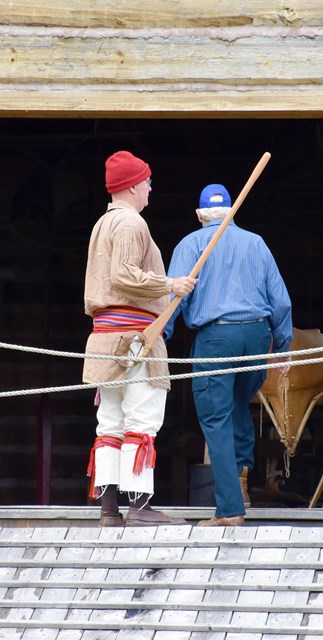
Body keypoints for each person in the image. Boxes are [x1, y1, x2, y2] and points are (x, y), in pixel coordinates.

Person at [165, 183, 293, 526]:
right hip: (256, 335)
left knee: (216, 420)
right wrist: (282, 346)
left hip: (216, 337)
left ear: (198, 215)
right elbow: (280, 300)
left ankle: (230, 510)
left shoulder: (191, 244)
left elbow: (173, 299)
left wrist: (160, 337)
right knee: (238, 407)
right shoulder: (256, 243)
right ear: (232, 213)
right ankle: (241, 484)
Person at [83, 150, 197, 527]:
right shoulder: (131, 223)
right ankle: (140, 508)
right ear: (132, 185)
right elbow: (123, 274)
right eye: (146, 181)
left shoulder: (103, 223)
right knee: (141, 419)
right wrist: (171, 284)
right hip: (135, 338)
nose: (150, 188)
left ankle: (109, 511)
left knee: (111, 421)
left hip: (105, 337)